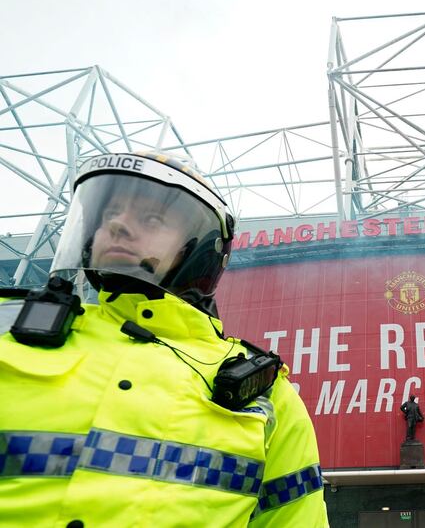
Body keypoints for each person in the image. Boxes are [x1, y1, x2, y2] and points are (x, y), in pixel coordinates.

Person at [0, 151, 328, 527]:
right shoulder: (7, 326)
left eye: (152, 218)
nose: (119, 225)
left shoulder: (265, 392)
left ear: (201, 250)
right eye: (110, 214)